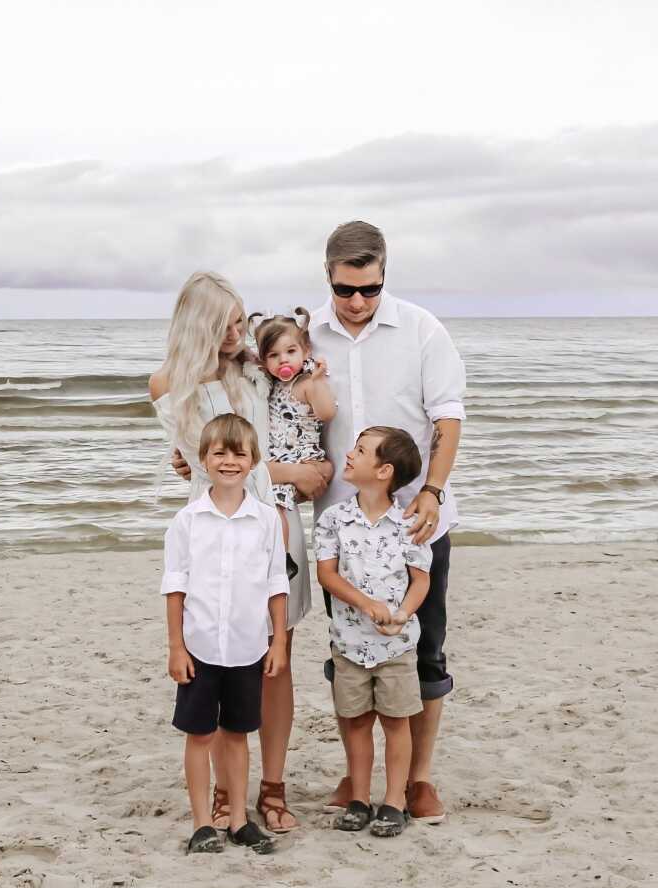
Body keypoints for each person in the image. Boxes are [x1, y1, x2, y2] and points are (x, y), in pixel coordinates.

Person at [150, 271, 327, 833]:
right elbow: (208, 462)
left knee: (273, 659)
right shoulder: (167, 384)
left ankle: (271, 785)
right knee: (213, 655)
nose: (237, 331)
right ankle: (227, 792)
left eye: (239, 319)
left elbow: (301, 415)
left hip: (272, 522)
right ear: (199, 323)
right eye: (226, 322)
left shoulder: (255, 370)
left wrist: (306, 462)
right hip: (211, 530)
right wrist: (295, 471)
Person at [310, 221, 466, 824]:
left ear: (383, 278)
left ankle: (417, 781)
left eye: (370, 290)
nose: (357, 302)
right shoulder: (306, 335)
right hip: (339, 526)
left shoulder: (422, 329)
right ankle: (357, 778)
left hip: (416, 521)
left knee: (421, 653)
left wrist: (431, 490)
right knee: (348, 653)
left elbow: (447, 419)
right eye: (347, 289)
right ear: (329, 275)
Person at [163, 414, 288, 854]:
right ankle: (202, 823)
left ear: (253, 461)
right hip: (199, 647)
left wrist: (279, 642)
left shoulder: (267, 520)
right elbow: (175, 586)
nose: (229, 461)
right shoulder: (187, 521)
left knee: (237, 734)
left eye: (239, 453)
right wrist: (177, 647)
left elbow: (277, 583)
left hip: (248, 646)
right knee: (200, 735)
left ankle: (238, 819)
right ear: (203, 459)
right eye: (219, 452)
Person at [315, 426, 431, 838]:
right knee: (356, 721)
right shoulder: (334, 519)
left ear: (383, 471)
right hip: (349, 643)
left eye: (360, 451)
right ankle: (359, 798)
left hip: (396, 646)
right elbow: (326, 574)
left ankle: (395, 800)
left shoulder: (408, 522)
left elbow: (420, 580)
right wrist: (366, 605)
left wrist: (401, 614)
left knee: (397, 722)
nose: (349, 454)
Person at [249, 307, 336, 557]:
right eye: (273, 355)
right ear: (263, 360)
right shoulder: (272, 384)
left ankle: (282, 557)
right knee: (272, 501)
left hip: (301, 454)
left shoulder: (306, 383)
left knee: (276, 504)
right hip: (280, 456)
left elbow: (327, 413)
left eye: (290, 351)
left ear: (305, 350)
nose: (283, 360)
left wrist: (318, 382)